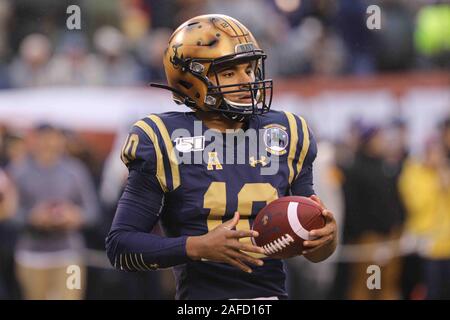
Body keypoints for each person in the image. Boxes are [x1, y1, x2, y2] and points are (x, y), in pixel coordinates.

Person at [106, 14, 337, 300]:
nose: (247, 81)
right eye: (229, 73)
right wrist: (196, 247)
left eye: (249, 69)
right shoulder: (162, 138)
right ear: (190, 80)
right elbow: (120, 246)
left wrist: (325, 238)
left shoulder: (287, 132)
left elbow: (312, 247)